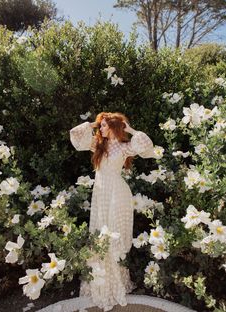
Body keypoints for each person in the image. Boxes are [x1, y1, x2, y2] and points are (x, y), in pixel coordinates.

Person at [69, 112, 156, 311]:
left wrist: (130, 129)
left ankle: (115, 282)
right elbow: (75, 135)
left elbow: (146, 147)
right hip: (101, 193)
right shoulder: (97, 145)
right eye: (101, 126)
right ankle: (100, 284)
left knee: (111, 235)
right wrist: (95, 122)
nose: (101, 129)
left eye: (104, 126)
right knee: (99, 234)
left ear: (115, 127)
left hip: (117, 194)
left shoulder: (125, 148)